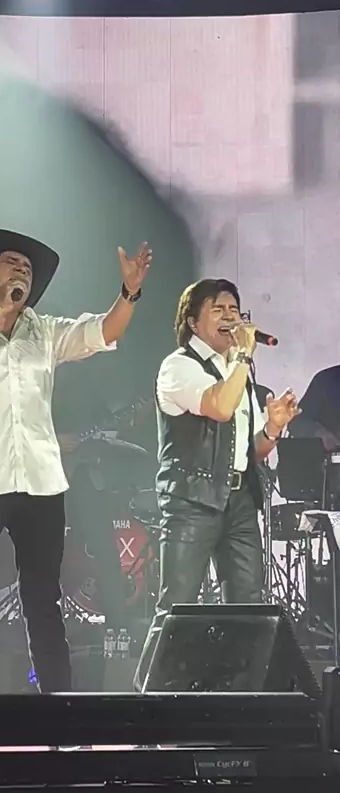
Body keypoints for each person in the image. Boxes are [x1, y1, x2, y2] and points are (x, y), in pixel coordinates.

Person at [0, 228, 151, 695]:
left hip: (41, 484)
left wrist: (128, 292)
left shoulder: (43, 331)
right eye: (13, 263)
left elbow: (103, 331)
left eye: (27, 268)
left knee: (44, 604)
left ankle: (58, 715)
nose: (22, 271)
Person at [135, 278, 299, 688]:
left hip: (240, 499)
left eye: (234, 310)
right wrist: (242, 356)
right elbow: (219, 409)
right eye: (219, 309)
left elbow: (248, 451)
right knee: (177, 606)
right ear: (193, 322)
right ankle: (147, 703)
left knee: (247, 607)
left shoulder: (236, 372)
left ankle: (236, 699)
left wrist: (273, 428)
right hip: (192, 499)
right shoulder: (179, 366)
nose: (231, 318)